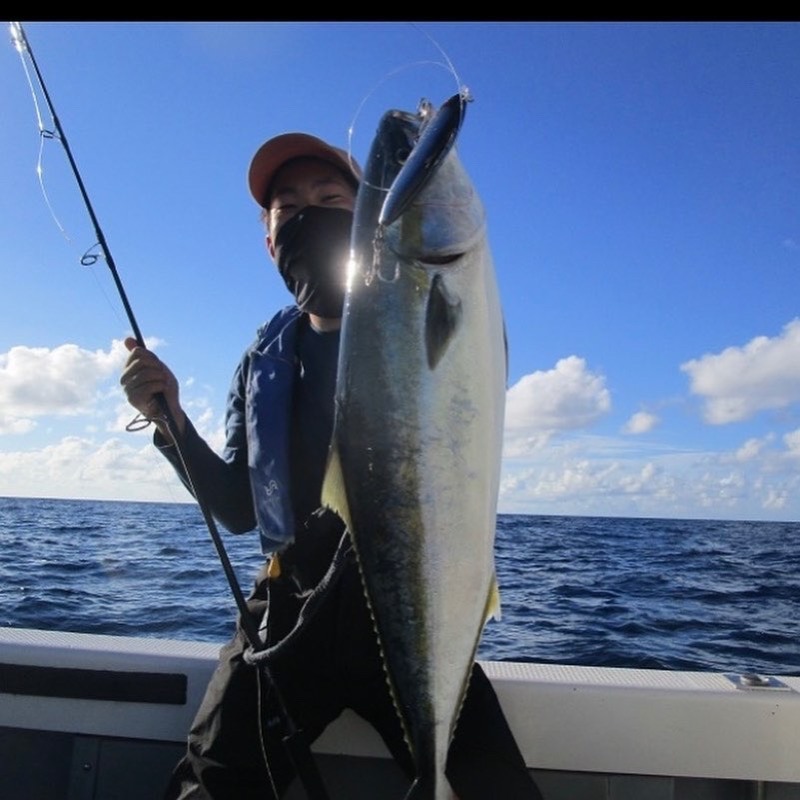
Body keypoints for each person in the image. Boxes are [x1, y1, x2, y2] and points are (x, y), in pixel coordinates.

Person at [121, 132, 543, 800]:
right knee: (209, 788)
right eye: (285, 209)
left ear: (370, 218)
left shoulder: (428, 314)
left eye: (328, 198)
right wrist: (170, 418)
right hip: (289, 609)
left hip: (410, 596)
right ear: (268, 242)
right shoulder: (262, 363)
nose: (304, 214)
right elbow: (236, 507)